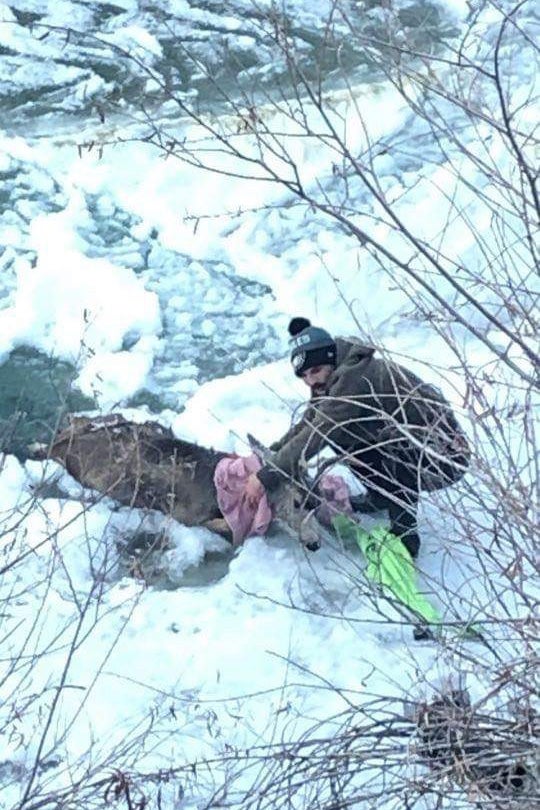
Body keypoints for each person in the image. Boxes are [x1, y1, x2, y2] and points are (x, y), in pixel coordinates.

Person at [245, 317, 470, 557]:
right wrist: (274, 452)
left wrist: (266, 476)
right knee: (345, 436)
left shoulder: (355, 379)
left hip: (443, 459)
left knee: (383, 447)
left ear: (329, 360)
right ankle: (380, 496)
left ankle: (405, 538)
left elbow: (318, 433)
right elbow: (311, 421)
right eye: (304, 376)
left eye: (315, 371)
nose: (311, 380)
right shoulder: (336, 375)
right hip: (406, 442)